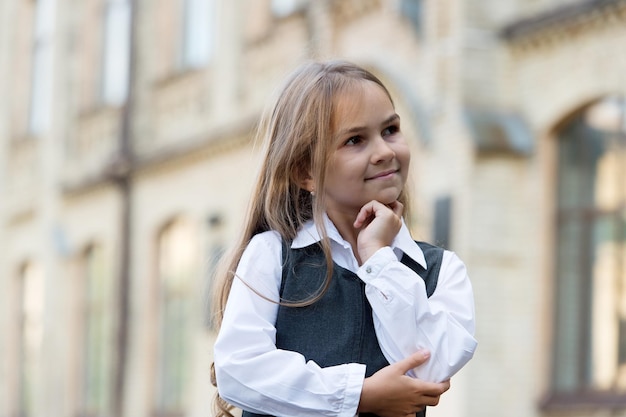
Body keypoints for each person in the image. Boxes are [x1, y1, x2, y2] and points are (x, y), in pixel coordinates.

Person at [211, 60, 477, 417]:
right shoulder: (272, 256)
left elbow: (430, 367)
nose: (384, 151)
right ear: (306, 171)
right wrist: (357, 395)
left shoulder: (440, 271)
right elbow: (239, 370)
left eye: (391, 129)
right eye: (355, 140)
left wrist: (378, 258)